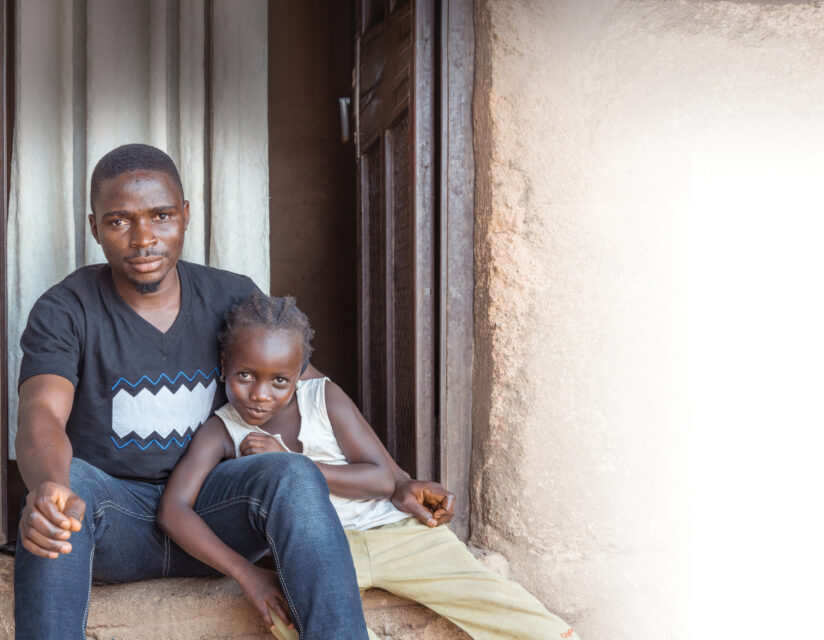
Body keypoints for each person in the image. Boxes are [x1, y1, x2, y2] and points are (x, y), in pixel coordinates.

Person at [11, 143, 447, 639]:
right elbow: (41, 411)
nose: (143, 238)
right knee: (63, 496)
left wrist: (398, 480)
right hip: (117, 521)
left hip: (216, 512)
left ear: (186, 216)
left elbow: (313, 385)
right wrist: (49, 486)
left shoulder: (231, 295)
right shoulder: (66, 308)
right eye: (118, 221)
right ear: (94, 227)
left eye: (161, 216)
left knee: (290, 471)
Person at [159, 291, 580, 640]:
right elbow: (173, 510)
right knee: (288, 619)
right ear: (223, 369)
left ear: (299, 373)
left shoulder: (323, 398)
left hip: (394, 533)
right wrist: (247, 573)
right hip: (315, 552)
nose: (260, 394)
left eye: (279, 380)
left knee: (488, 596)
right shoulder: (221, 431)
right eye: (245, 376)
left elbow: (381, 478)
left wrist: (289, 462)